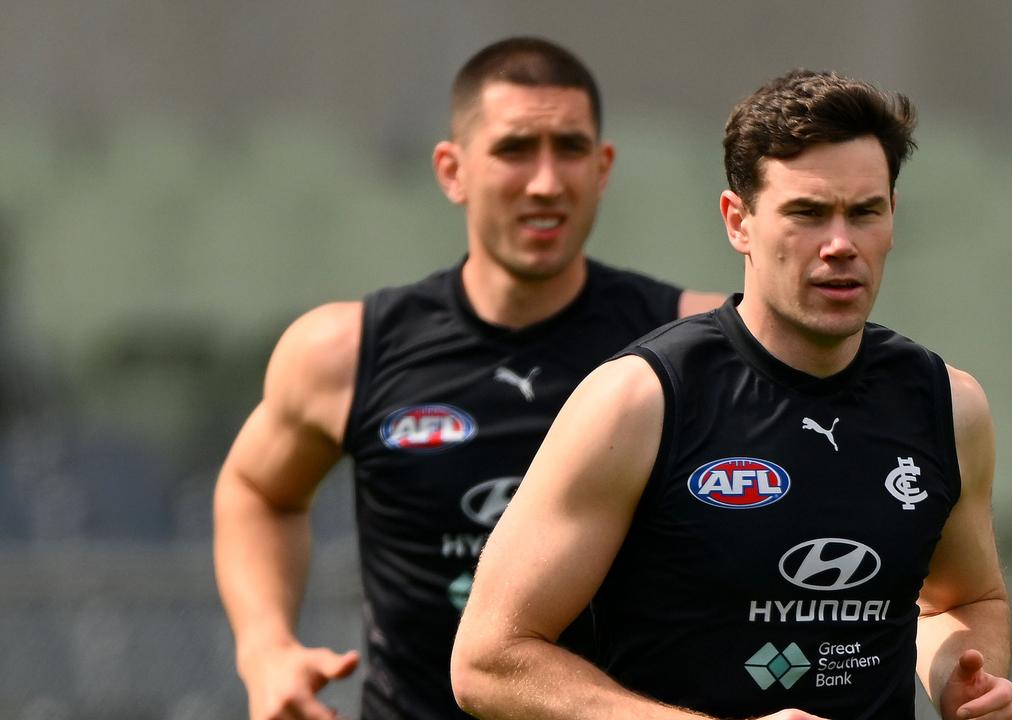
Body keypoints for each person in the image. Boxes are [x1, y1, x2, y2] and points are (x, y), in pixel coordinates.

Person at [452, 69, 1012, 720]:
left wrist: (960, 676)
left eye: (865, 212)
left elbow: (962, 600)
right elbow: (489, 662)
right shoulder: (637, 402)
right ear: (738, 221)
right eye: (807, 213)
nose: (841, 245)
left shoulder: (948, 406)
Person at [213, 36, 722, 720]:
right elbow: (257, 490)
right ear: (452, 170)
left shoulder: (699, 345)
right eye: (515, 149)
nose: (546, 181)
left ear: (603, 168)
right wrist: (265, 649)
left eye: (570, 149)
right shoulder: (343, 350)